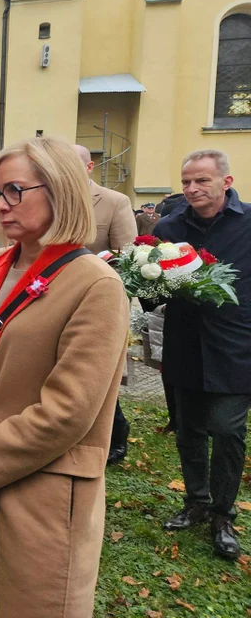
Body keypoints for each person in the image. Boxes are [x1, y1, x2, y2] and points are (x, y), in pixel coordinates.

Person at [0, 137, 128, 617]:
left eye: (14, 191)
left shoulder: (96, 284)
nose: (0, 206)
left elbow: (69, 411)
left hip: (42, 497)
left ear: (61, 189)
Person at [154, 150, 251, 561]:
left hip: (236, 347)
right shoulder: (168, 226)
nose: (191, 189)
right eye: (186, 181)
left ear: (226, 182)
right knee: (189, 428)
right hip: (185, 345)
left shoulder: (249, 225)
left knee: (227, 430)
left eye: (202, 181)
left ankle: (223, 514)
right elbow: (154, 290)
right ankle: (195, 501)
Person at [72, 144, 137, 466]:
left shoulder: (114, 202)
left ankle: (116, 431)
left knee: (99, 370)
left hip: (98, 302)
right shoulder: (51, 199)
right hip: (52, 299)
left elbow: (129, 259)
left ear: (89, 166)